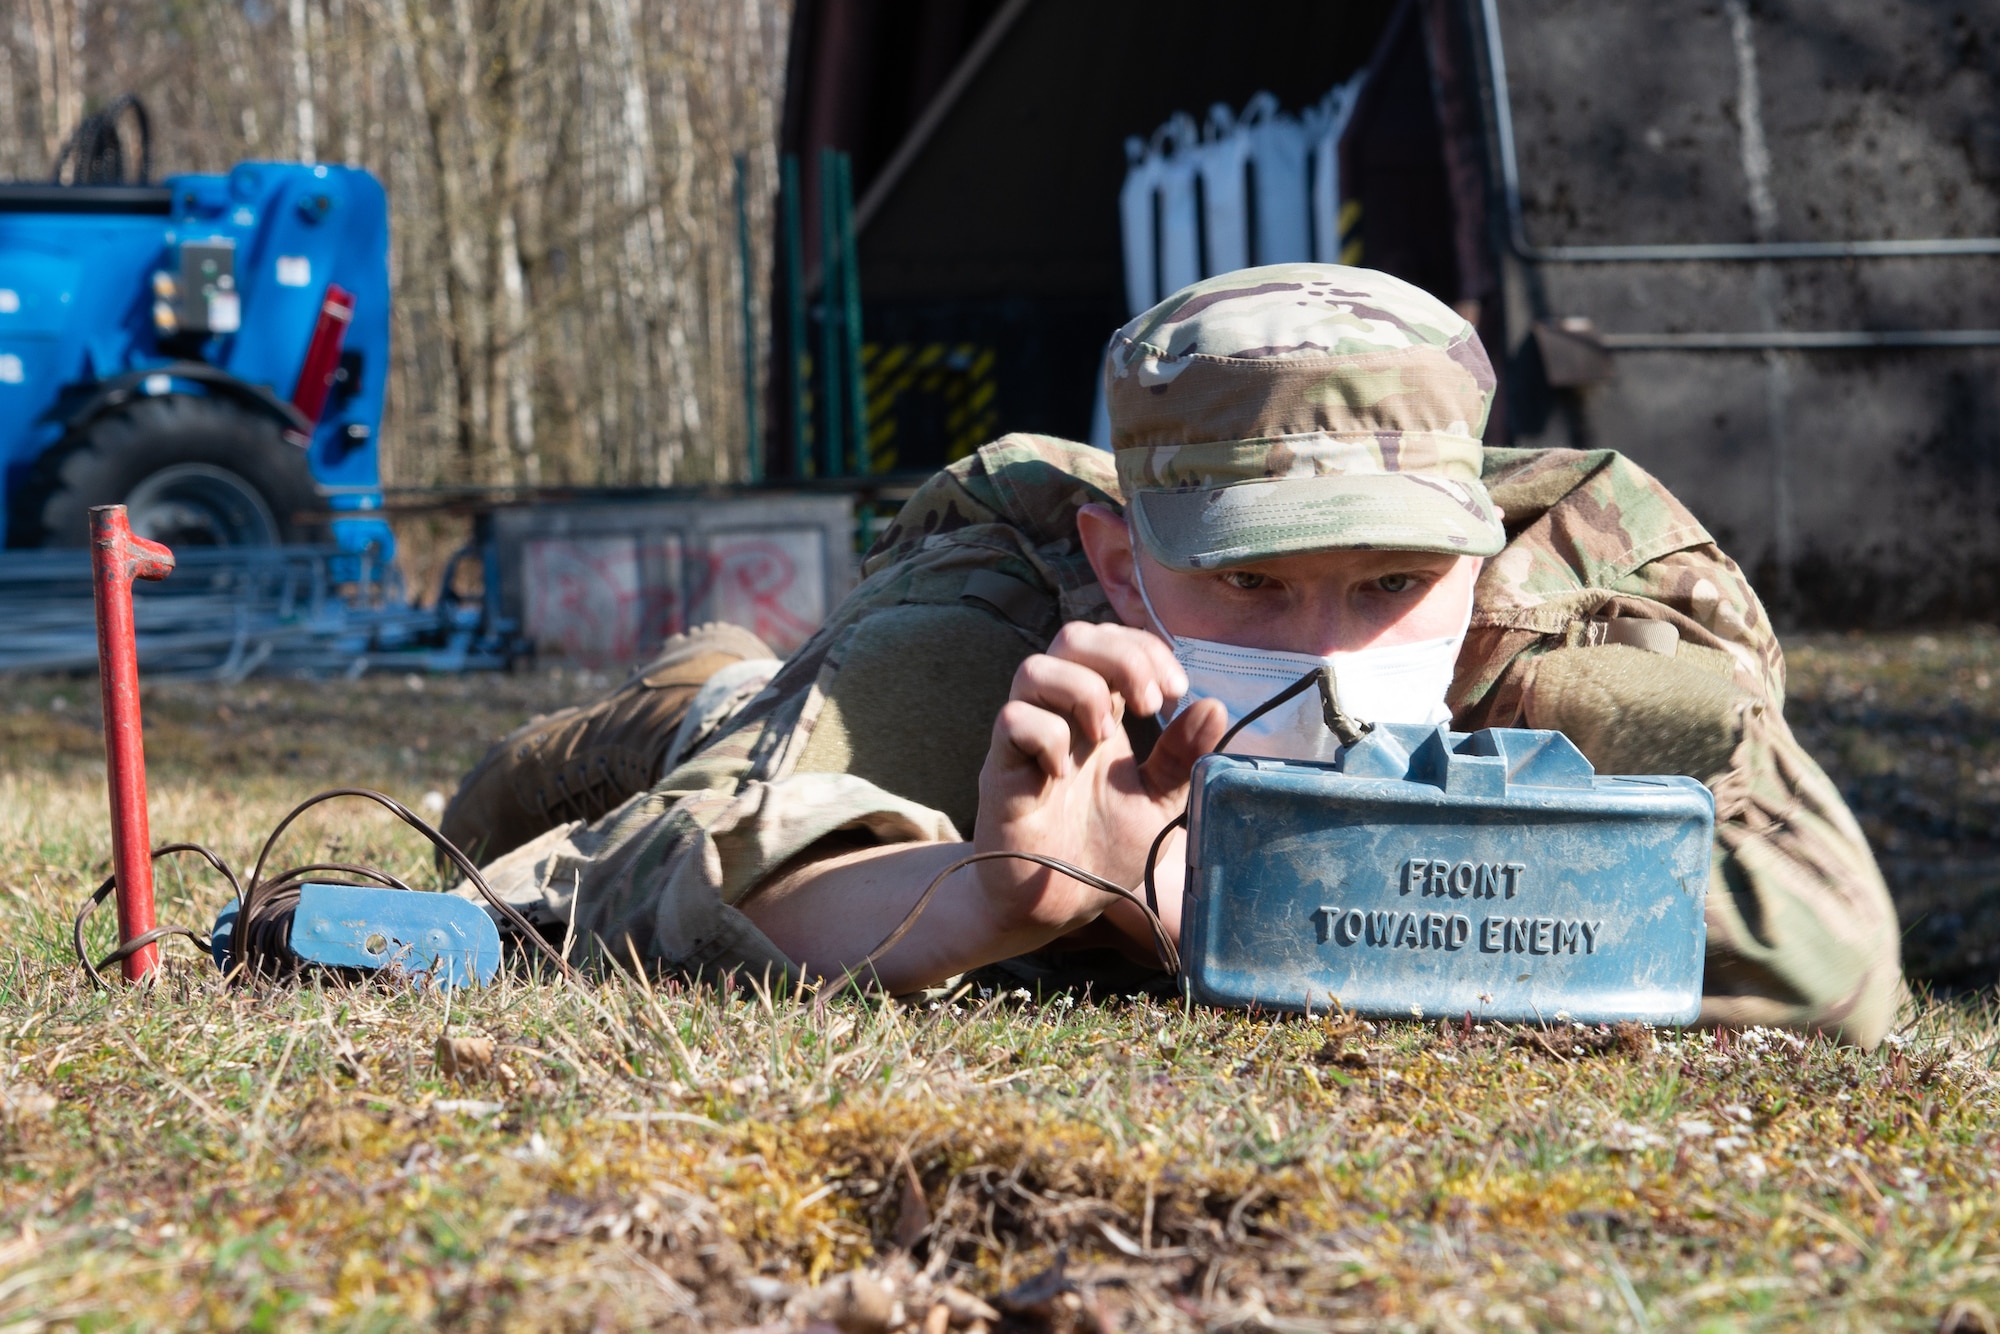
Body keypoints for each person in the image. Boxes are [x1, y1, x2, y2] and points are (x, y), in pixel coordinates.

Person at [443, 264, 1904, 1047]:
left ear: (1477, 551)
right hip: (847, 694)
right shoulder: (997, 629)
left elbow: (1835, 965)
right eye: (1256, 585)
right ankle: (702, 682)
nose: (1332, 651)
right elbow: (644, 878)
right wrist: (984, 893)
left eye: (1393, 581)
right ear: (1125, 562)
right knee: (621, 763)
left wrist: (1265, 907)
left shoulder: (1586, 623)